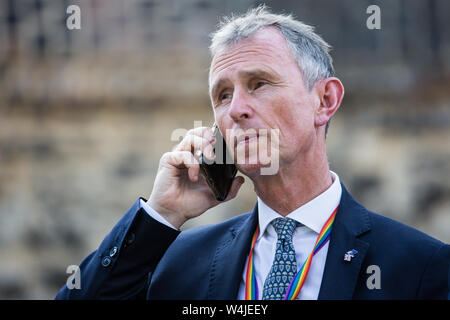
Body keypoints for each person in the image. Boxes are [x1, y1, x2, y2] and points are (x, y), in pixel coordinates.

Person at [56, 6, 449, 300]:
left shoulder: (419, 267)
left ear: (324, 100)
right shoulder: (179, 262)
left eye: (259, 84)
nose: (236, 109)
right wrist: (162, 214)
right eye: (222, 95)